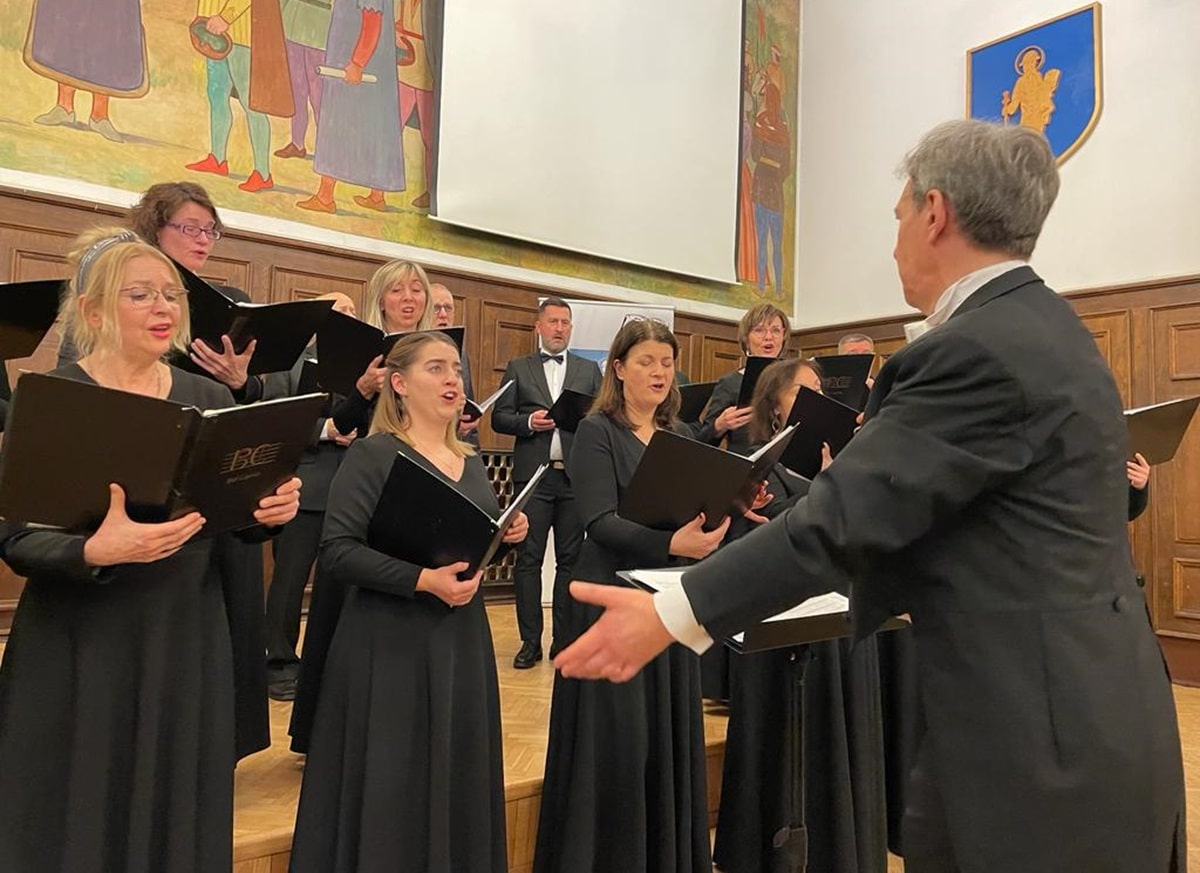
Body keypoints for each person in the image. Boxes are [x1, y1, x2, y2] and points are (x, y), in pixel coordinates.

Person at [555, 120, 1186, 872]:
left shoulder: (973, 349)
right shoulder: (1053, 328)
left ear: (934, 213)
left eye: (897, 217)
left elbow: (839, 520)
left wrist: (671, 611)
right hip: (1092, 713)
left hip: (1036, 748)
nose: (892, 245)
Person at [0, 228, 301, 873]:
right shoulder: (52, 396)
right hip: (80, 640)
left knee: (174, 801)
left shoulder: (209, 397)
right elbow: (16, 535)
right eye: (140, 294)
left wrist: (267, 513)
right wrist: (94, 550)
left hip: (183, 632)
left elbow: (230, 518)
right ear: (92, 312)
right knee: (77, 804)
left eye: (170, 294)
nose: (163, 307)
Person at [288, 331, 526, 873]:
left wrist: (508, 534)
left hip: (460, 641)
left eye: (456, 370)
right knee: (390, 780)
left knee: (453, 771)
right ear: (398, 384)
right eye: (436, 369)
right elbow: (338, 552)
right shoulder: (373, 454)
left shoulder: (470, 460)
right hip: (387, 644)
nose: (452, 380)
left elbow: (470, 545)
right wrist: (421, 579)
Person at [533, 319, 725, 873]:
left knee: (663, 733)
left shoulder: (680, 434)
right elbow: (598, 522)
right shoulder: (597, 430)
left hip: (668, 599)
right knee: (618, 738)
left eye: (666, 362)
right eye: (646, 361)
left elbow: (694, 511)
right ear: (618, 368)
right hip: (612, 597)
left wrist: (734, 503)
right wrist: (672, 542)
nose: (659, 372)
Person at [713, 356, 885, 873]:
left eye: (821, 392)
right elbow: (770, 532)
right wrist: (829, 490)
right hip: (781, 633)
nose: (817, 402)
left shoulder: (842, 460)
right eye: (803, 392)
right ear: (774, 405)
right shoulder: (755, 462)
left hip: (839, 618)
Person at [289, 259, 436, 751]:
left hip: (418, 487)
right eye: (398, 290)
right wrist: (362, 390)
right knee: (342, 604)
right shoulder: (356, 349)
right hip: (363, 482)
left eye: (417, 289)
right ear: (381, 298)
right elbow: (338, 421)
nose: (409, 298)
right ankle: (327, 733)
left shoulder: (440, 352)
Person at [492, 297, 602, 667]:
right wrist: (527, 422)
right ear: (538, 327)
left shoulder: (589, 371)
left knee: (570, 561)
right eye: (552, 321)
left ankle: (563, 641)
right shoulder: (519, 367)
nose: (559, 328)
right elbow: (498, 418)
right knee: (529, 560)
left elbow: (603, 418)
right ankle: (530, 643)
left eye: (565, 322)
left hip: (574, 479)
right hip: (533, 479)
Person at [261, 292, 358, 701]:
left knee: (338, 586)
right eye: (339, 310)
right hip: (303, 487)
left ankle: (326, 664)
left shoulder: (363, 368)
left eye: (352, 311)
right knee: (289, 582)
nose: (348, 317)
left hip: (351, 492)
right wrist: (327, 431)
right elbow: (272, 421)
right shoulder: (288, 363)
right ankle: (278, 663)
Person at [699, 302, 791, 455]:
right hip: (743, 464)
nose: (769, 337)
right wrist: (720, 425)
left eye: (775, 330)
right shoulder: (730, 383)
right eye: (759, 330)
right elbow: (702, 441)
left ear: (783, 337)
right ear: (746, 339)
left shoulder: (795, 380)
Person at [430, 281, 481, 445]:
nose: (443, 314)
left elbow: (468, 407)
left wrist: (475, 456)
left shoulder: (461, 355)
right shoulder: (412, 353)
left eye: (448, 308)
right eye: (436, 308)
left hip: (455, 447)